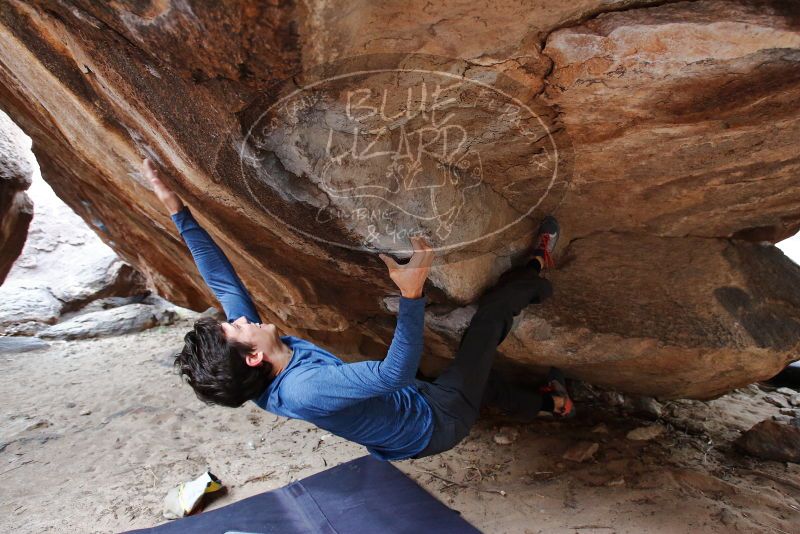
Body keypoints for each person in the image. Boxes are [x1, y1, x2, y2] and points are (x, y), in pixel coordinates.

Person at [144, 158, 573, 461]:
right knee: (484, 326)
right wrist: (411, 294)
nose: (239, 318)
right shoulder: (306, 389)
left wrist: (174, 208)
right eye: (234, 329)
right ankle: (538, 272)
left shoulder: (257, 371)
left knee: (470, 379)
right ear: (253, 356)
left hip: (414, 414)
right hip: (436, 422)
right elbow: (393, 375)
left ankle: (554, 405)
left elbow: (223, 282)